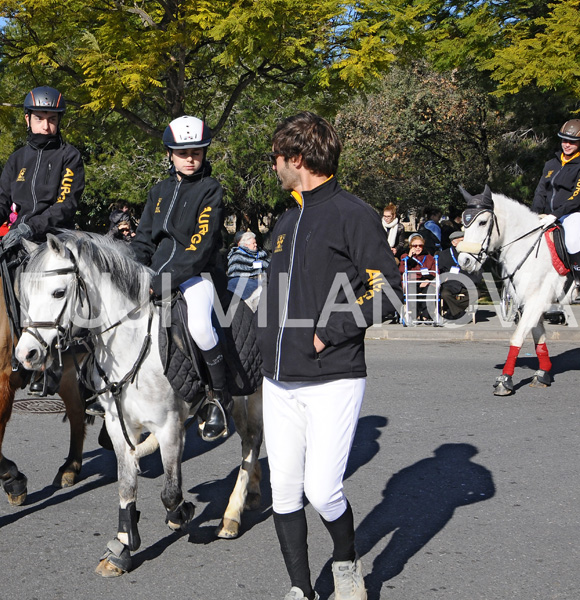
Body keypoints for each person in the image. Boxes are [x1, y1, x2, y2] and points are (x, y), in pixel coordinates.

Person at [257, 111, 402, 600]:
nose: (274, 168)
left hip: (333, 377)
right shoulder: (286, 217)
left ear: (296, 158)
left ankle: (345, 563)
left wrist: (327, 332)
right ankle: (300, 588)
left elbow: (389, 290)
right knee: (283, 492)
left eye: (277, 159)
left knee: (322, 491)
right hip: (277, 381)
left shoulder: (352, 213)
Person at [128, 115, 233, 442]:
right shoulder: (158, 191)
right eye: (183, 153)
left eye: (197, 152)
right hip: (154, 271)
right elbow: (144, 239)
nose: (190, 159)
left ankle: (219, 396)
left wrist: (164, 281)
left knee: (200, 326)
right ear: (170, 154)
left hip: (196, 273)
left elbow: (200, 247)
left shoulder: (210, 190)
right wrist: (132, 268)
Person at [0, 86, 85, 250]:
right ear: (27, 119)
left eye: (52, 119)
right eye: (39, 118)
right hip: (16, 239)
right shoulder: (16, 158)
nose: (45, 126)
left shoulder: (69, 156)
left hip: (56, 242)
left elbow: (65, 205)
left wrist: (29, 229)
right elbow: (1, 199)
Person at [532, 119, 580, 279]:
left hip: (572, 214)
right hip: (546, 215)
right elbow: (541, 191)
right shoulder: (551, 164)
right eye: (564, 140)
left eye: (572, 142)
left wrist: (556, 215)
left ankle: (577, 280)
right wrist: (534, 213)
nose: (567, 145)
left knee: (573, 240)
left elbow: (576, 196)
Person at [437, 230, 481, 321]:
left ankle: (454, 311)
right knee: (445, 294)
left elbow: (478, 269)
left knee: (476, 293)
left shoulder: (471, 254)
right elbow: (439, 270)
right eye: (462, 241)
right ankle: (458, 312)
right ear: (454, 243)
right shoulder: (444, 255)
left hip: (467, 282)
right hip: (451, 283)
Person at [399, 233, 436, 320]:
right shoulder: (405, 257)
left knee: (429, 290)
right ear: (410, 246)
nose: (418, 247)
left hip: (425, 280)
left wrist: (427, 280)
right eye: (415, 245)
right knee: (411, 289)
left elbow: (435, 272)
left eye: (420, 245)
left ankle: (426, 315)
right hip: (411, 281)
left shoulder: (429, 257)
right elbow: (402, 270)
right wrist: (410, 257)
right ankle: (414, 314)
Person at [227, 231, 269, 300]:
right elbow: (235, 273)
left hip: (261, 282)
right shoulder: (237, 256)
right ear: (246, 245)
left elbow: (267, 265)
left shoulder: (261, 254)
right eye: (253, 243)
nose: (255, 245)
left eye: (256, 243)